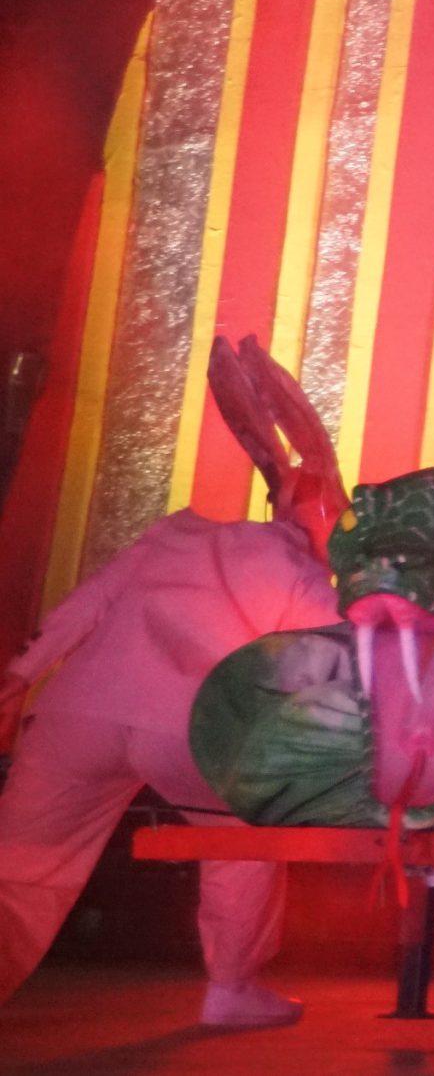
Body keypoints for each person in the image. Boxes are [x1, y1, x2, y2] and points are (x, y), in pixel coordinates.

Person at [0, 339, 340, 1027]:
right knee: (244, 836)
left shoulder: (175, 535)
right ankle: (231, 988)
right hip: (188, 730)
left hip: (79, 715)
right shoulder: (300, 572)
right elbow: (337, 657)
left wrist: (18, 679)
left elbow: (83, 606)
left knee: (18, 866)